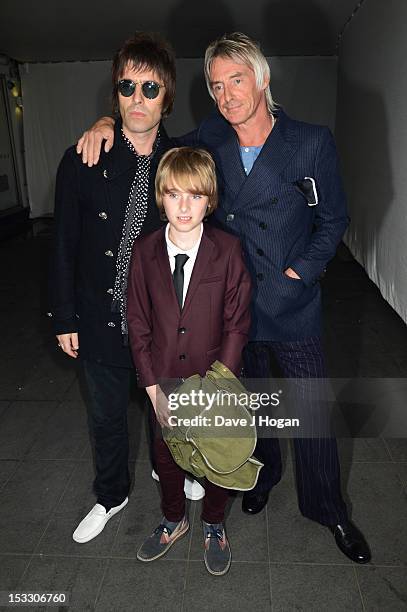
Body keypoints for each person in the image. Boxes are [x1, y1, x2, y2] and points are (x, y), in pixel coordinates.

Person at [76, 32, 371, 564]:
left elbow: (334, 221)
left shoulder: (310, 141)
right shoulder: (211, 135)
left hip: (291, 304)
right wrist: (107, 125)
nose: (228, 94)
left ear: (262, 79)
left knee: (310, 413)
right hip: (234, 312)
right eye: (217, 85)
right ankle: (260, 479)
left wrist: (300, 272)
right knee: (248, 410)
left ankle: (329, 510)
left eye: (237, 80)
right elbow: (159, 146)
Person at [48, 32, 177, 544]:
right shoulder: (81, 159)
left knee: (166, 413)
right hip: (99, 318)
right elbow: (61, 245)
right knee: (105, 418)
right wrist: (63, 317)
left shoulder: (183, 158)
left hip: (163, 323)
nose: (137, 99)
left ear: (166, 95)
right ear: (115, 93)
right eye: (127, 87)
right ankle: (111, 494)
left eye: (150, 88)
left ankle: (171, 471)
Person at [127, 146, 251, 575]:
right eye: (175, 194)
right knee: (166, 455)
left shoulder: (229, 250)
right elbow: (138, 323)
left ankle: (214, 523)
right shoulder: (143, 253)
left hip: (214, 380)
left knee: (218, 457)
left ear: (209, 199)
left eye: (195, 195)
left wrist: (220, 388)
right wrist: (152, 390)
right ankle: (174, 518)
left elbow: (237, 323)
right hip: (163, 381)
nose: (184, 206)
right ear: (161, 196)